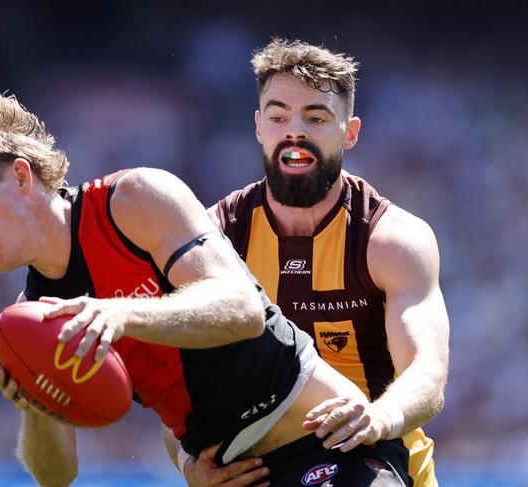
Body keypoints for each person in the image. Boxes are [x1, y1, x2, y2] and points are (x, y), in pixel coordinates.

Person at [0, 86, 412, 486]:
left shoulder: (132, 199)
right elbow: (57, 477)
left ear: (21, 177)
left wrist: (119, 314)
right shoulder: (39, 315)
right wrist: (34, 405)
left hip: (331, 443)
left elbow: (241, 309)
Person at [168, 39, 450, 487]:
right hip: (262, 466)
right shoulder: (215, 239)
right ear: (259, 127)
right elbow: (173, 379)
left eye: (315, 118)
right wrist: (189, 467)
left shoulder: (392, 240)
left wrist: (378, 417)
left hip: (381, 458)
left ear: (350, 131)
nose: (294, 132)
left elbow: (428, 375)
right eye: (279, 117)